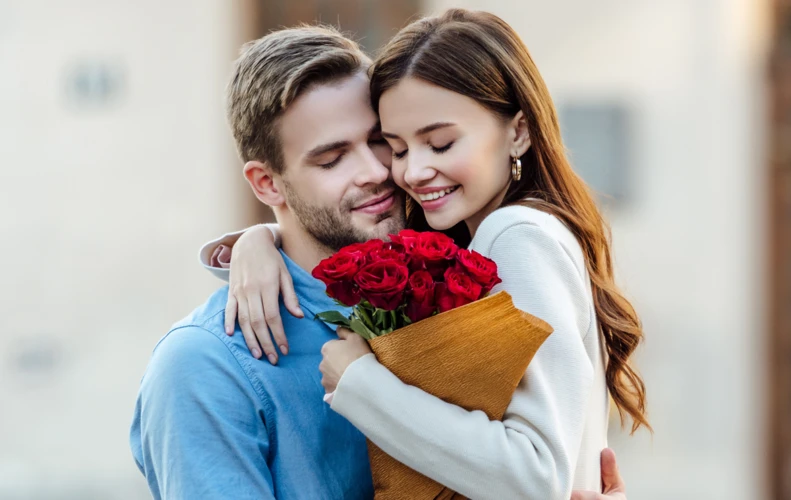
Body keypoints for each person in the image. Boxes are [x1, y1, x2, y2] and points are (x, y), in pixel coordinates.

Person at [197, 9, 649, 499]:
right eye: (400, 147)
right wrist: (259, 240)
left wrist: (359, 384)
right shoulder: (464, 239)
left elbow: (539, 479)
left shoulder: (515, 233)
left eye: (440, 143)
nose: (411, 172)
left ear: (518, 132)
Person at [129, 26, 402, 499]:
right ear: (267, 184)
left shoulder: (443, 287)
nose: (376, 171)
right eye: (333, 159)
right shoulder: (202, 365)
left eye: (379, 140)